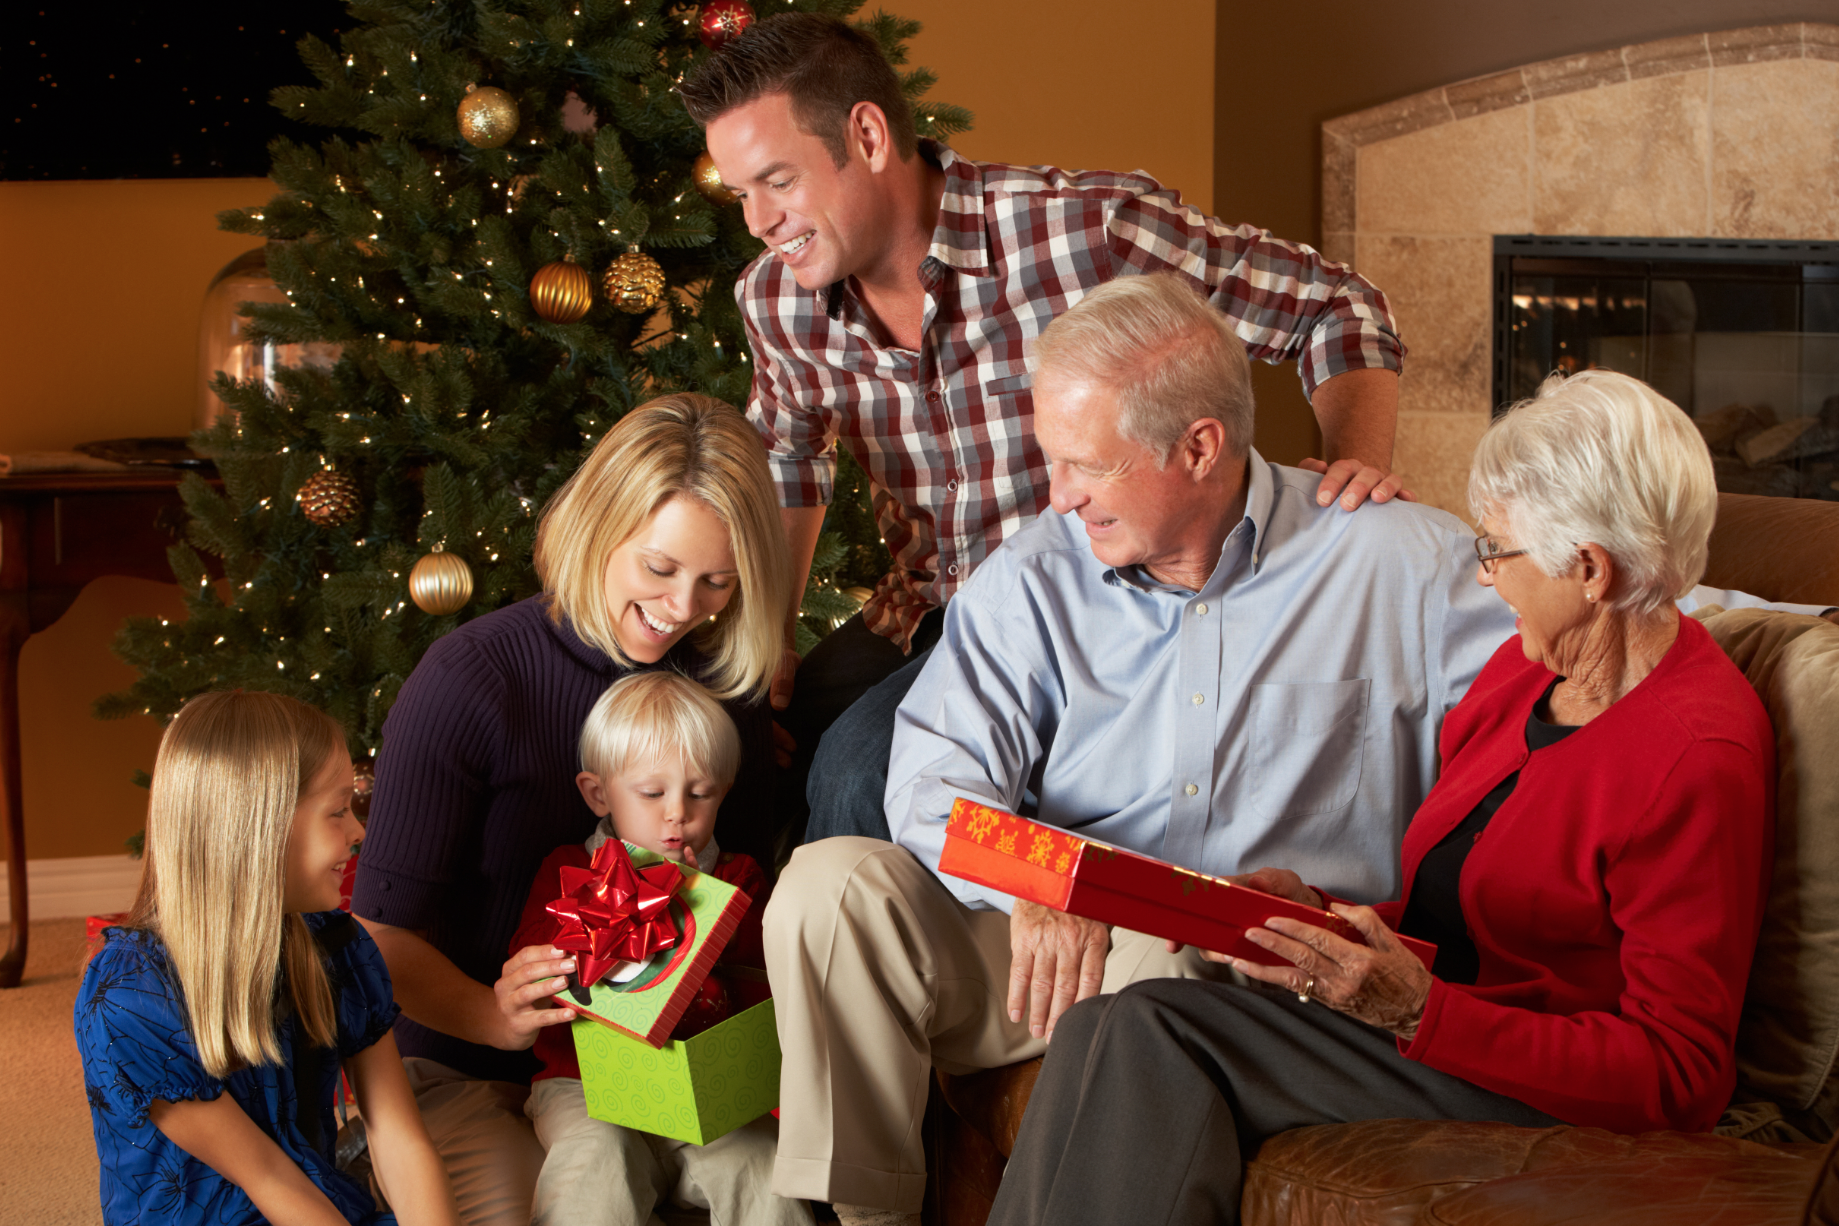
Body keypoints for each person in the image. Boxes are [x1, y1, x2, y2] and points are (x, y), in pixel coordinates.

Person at [759, 274, 1806, 1226]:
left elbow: (1669, 600)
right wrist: (1061, 880)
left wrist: (1793, 618)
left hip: (1243, 963)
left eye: (1087, 463)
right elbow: (930, 784)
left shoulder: (1411, 569)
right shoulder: (1532, 670)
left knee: (1141, 1018)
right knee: (830, 884)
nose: (1060, 492)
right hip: (1089, 926)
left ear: (1199, 447)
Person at [986, 367, 1779, 1226]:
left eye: (1495, 551)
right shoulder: (1523, 674)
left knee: (1151, 1031)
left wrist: (1419, 1009)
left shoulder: (1694, 754)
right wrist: (1321, 921)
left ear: (1587, 569)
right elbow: (1459, 913)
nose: (1484, 579)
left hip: (1531, 1078)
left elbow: (1680, 1074)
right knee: (1104, 1024)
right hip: (1443, 1022)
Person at [678, 13, 1412, 843]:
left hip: (1090, 609)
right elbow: (789, 463)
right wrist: (768, 642)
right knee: (730, 744)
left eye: (777, 180)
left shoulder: (1086, 233)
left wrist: (1353, 480)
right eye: (742, 192)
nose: (758, 220)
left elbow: (1334, 307)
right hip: (920, 612)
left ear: (869, 134)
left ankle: (903, 962)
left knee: (856, 773)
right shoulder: (775, 299)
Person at [350, 394, 792, 1225]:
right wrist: (496, 1016)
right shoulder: (470, 679)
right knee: (562, 1193)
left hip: (661, 1065)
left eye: (717, 582)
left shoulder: (725, 684)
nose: (683, 608)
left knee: (764, 1178)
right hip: (472, 1062)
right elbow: (379, 936)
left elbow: (742, 887)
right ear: (598, 527)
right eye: (659, 569)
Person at [74, 690, 461, 1226]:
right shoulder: (128, 1000)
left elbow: (399, 1137)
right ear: (260, 829)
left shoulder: (337, 948)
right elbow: (266, 1178)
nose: (359, 832)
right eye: (338, 811)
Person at [508, 670, 811, 1226]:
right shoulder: (567, 871)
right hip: (584, 1087)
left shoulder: (739, 878)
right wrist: (628, 901)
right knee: (595, 1162)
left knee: (763, 1166)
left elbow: (764, 992)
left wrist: (700, 905)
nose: (678, 813)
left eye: (701, 793)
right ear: (598, 794)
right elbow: (541, 979)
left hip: (702, 1095)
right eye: (652, 794)